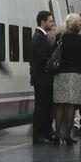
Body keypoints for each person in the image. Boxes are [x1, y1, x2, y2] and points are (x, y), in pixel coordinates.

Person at [52, 13, 81, 146]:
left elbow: (54, 54)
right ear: (79, 25)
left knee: (59, 105)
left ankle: (56, 135)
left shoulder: (60, 37)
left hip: (60, 74)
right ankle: (67, 135)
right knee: (72, 105)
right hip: (76, 75)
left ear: (67, 24)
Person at [30, 11, 55, 144]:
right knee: (41, 107)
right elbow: (42, 58)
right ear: (42, 22)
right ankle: (38, 135)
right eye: (50, 21)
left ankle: (46, 132)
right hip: (42, 79)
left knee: (46, 106)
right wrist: (53, 62)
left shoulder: (41, 36)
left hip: (43, 78)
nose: (52, 23)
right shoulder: (40, 37)